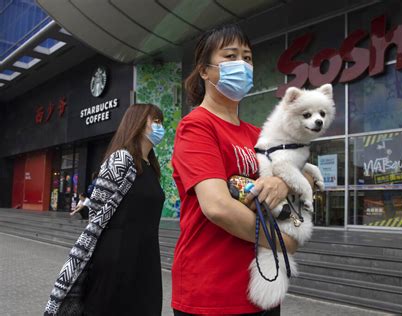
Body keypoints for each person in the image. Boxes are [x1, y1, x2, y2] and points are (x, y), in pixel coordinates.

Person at [171, 24, 302, 316]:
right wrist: (283, 241)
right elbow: (217, 206)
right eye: (230, 56)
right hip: (212, 291)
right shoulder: (196, 126)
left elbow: (304, 173)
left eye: (247, 58)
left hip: (263, 288)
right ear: (204, 70)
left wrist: (283, 183)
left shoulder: (260, 135)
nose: (241, 65)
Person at [45, 103, 166, 316]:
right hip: (117, 257)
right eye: (155, 121)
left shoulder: (151, 166)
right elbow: (97, 213)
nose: (160, 126)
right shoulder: (122, 159)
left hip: (146, 257)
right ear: (137, 123)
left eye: (161, 122)